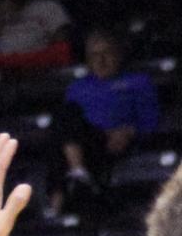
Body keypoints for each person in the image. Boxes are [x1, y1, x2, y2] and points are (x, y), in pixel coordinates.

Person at [48, 31, 159, 216]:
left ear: (118, 54)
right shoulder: (77, 87)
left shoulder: (138, 82)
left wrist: (130, 131)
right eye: (94, 55)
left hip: (116, 142)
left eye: (106, 53)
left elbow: (151, 119)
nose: (101, 60)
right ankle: (78, 172)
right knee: (64, 117)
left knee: (61, 145)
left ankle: (58, 204)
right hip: (85, 141)